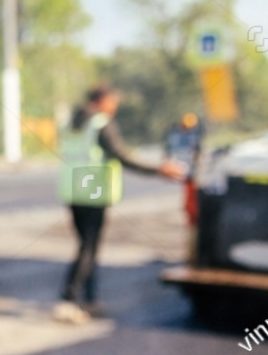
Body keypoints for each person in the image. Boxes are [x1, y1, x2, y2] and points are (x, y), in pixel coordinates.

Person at [55, 86, 186, 323]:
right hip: (92, 191)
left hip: (72, 190)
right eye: (112, 102)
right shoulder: (100, 124)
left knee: (87, 246)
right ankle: (69, 299)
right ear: (102, 101)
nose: (114, 107)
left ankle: (89, 299)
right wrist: (159, 170)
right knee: (88, 247)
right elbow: (123, 156)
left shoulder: (70, 123)